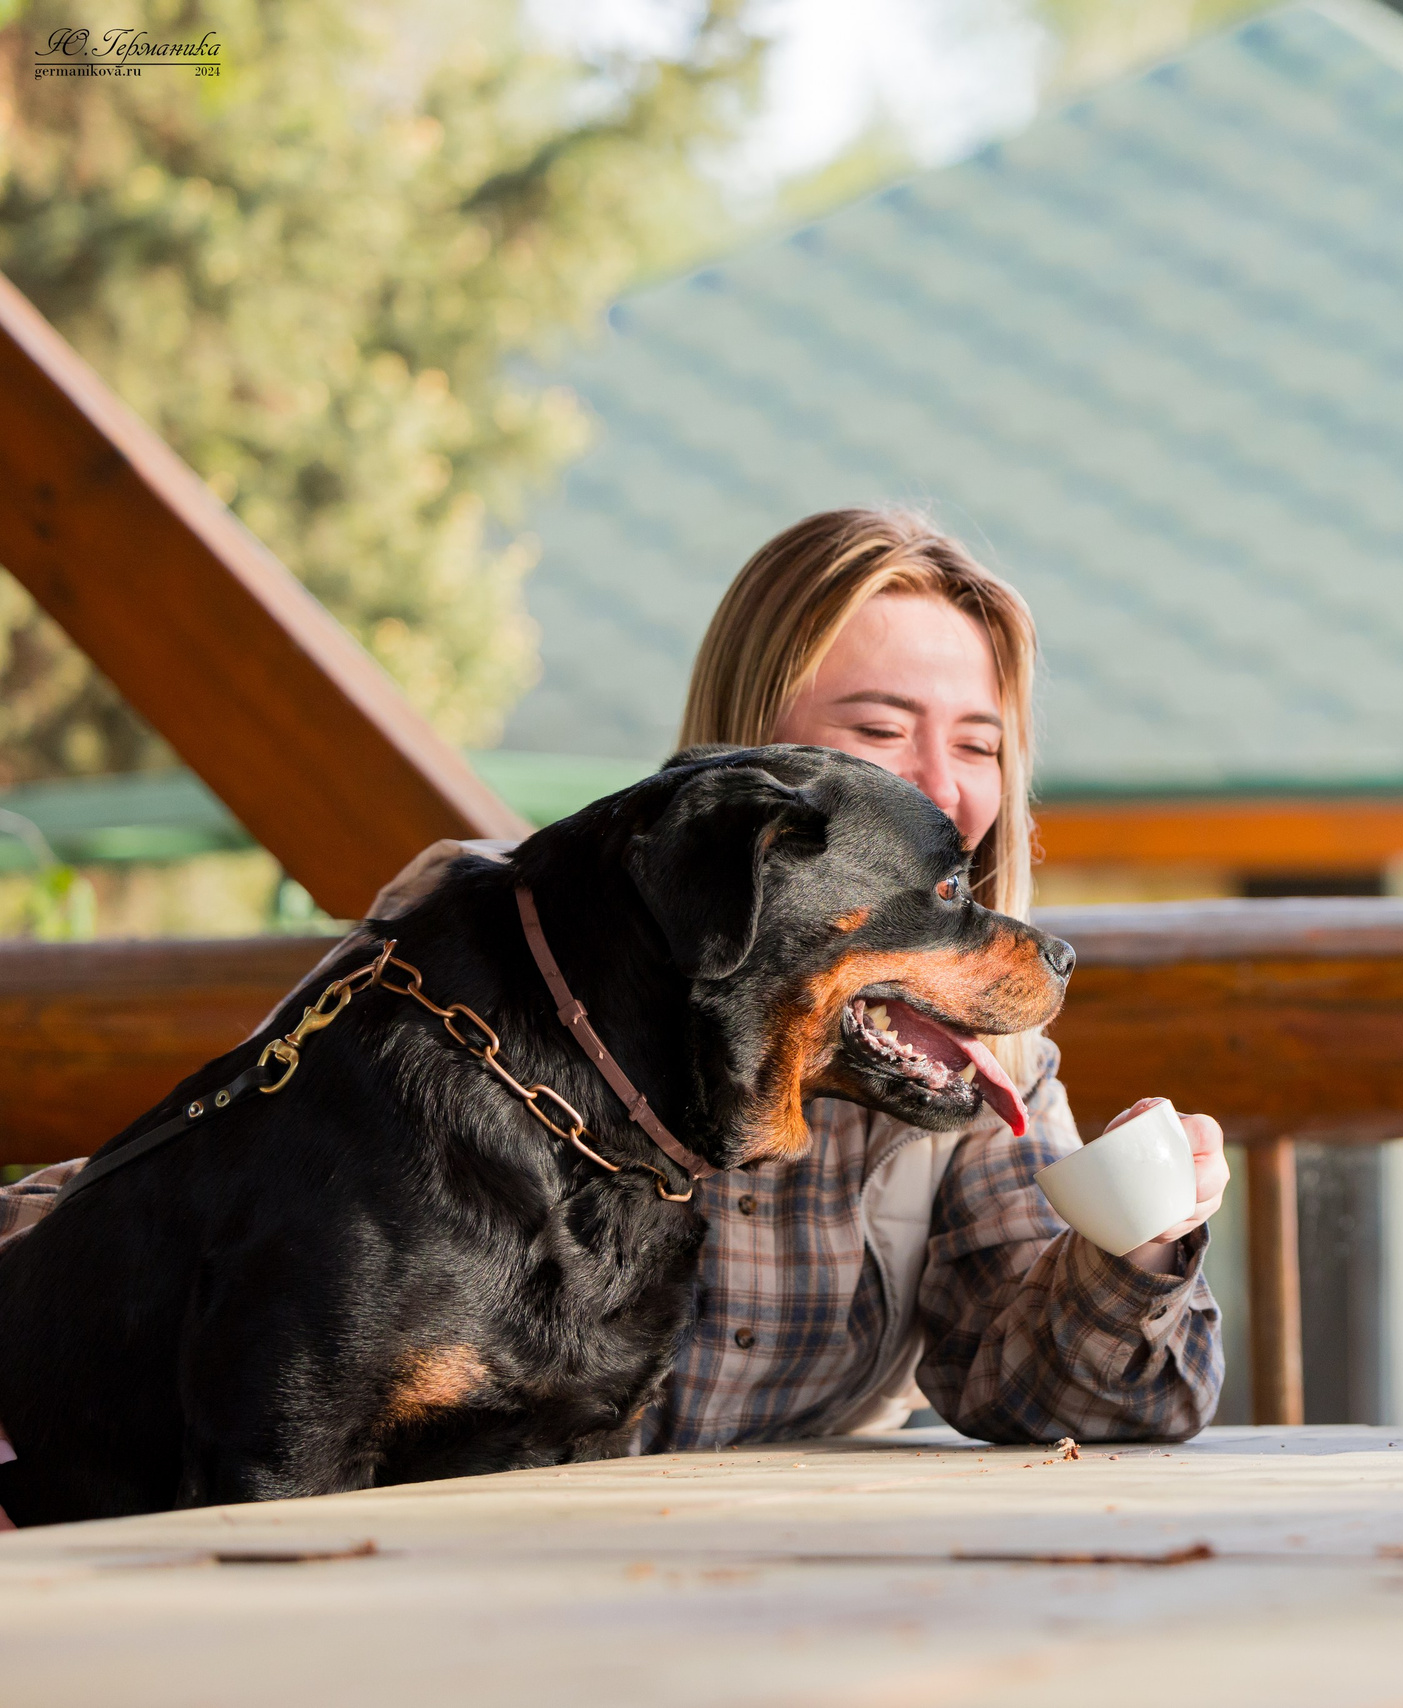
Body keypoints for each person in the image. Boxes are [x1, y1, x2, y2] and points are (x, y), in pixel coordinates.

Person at [0, 508, 1226, 1454]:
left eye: (979, 743)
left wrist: (1135, 1245)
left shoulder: (960, 1052)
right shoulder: (480, 954)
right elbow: (246, 1205)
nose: (941, 787)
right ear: (761, 760)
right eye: (877, 731)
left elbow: (1047, 1395)